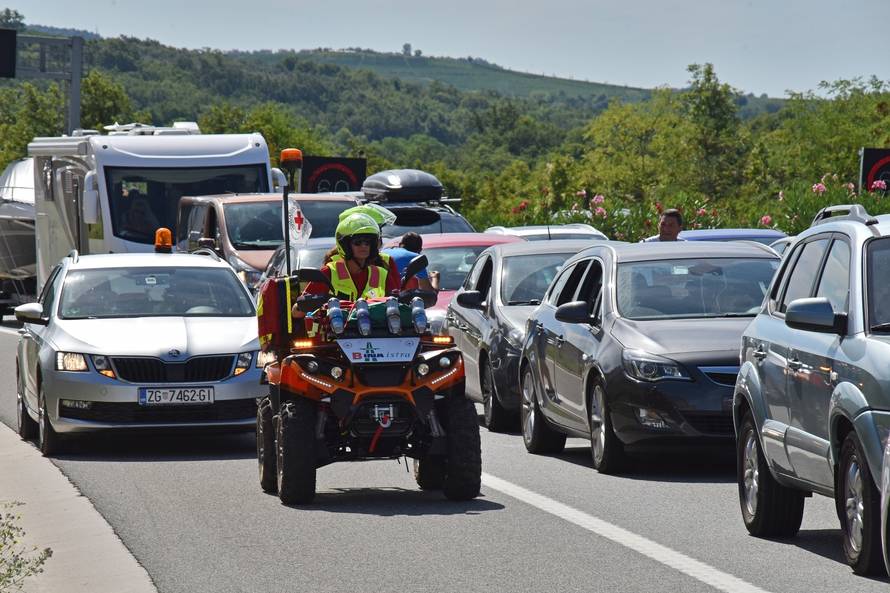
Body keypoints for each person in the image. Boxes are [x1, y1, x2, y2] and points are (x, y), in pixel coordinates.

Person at [296, 213, 401, 310]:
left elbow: (398, 305)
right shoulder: (330, 272)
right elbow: (296, 311)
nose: (364, 246)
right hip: (334, 329)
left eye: (368, 242)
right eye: (357, 242)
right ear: (345, 245)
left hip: (374, 329)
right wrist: (316, 301)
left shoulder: (381, 274)